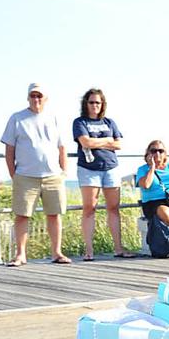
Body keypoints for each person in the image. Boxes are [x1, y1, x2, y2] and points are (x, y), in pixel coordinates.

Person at [0, 83, 69, 266]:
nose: (36, 100)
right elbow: (9, 149)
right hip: (25, 175)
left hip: (53, 175)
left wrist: (63, 171)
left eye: (39, 96)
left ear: (45, 98)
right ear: (28, 98)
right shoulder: (17, 118)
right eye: (33, 96)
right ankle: (21, 254)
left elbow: (62, 147)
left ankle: (57, 252)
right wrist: (13, 174)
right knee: (22, 215)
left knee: (54, 214)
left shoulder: (54, 117)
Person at [72, 88, 130, 260]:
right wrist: (107, 141)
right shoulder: (79, 122)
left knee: (114, 208)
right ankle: (89, 250)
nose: (95, 105)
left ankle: (118, 248)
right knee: (89, 208)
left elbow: (119, 144)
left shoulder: (110, 122)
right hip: (89, 169)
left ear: (102, 104)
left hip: (111, 167)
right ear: (86, 103)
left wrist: (96, 143)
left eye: (98, 102)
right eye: (91, 102)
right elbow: (85, 141)